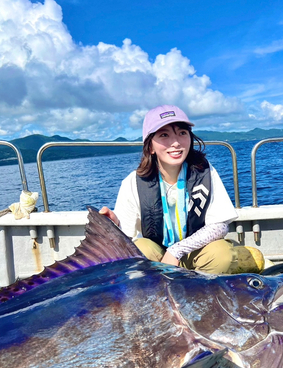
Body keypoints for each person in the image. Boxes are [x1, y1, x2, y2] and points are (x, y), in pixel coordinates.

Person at [100, 104, 262, 274]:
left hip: (196, 251)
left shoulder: (204, 172)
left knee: (222, 255)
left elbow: (219, 226)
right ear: (150, 147)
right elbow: (127, 238)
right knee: (141, 249)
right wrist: (114, 226)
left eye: (182, 133)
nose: (176, 143)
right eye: (164, 135)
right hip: (158, 256)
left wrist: (176, 250)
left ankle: (201, 293)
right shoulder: (133, 182)